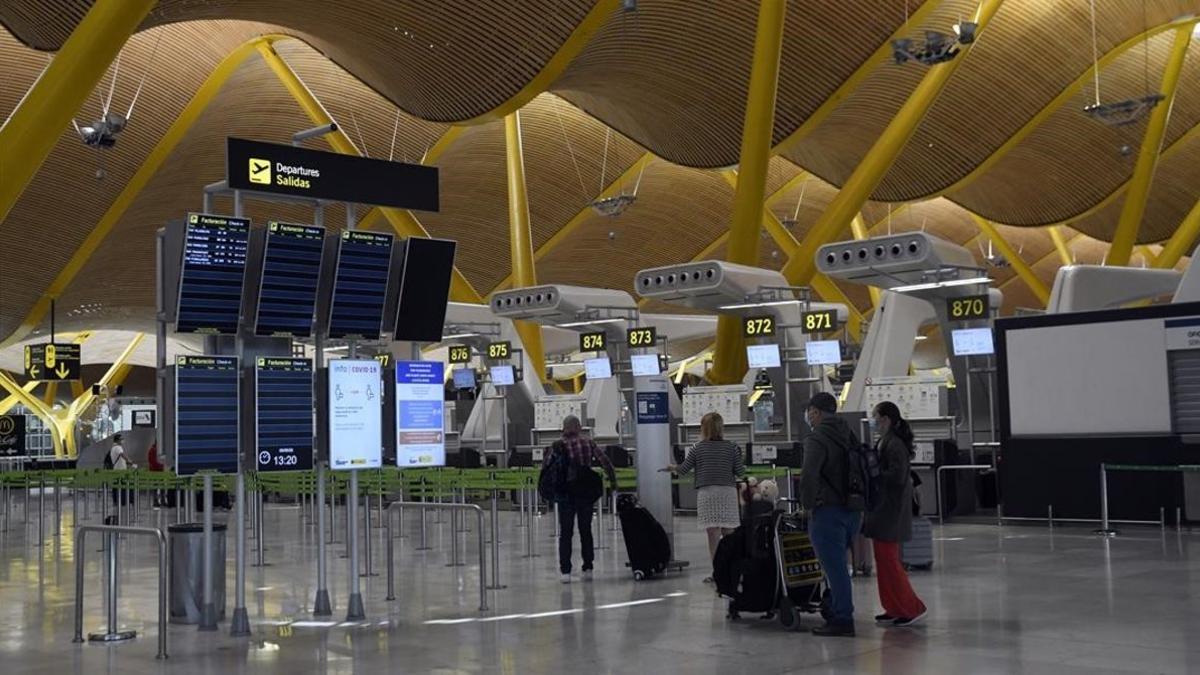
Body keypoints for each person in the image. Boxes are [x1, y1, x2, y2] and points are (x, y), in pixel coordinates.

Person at [800, 392, 862, 637]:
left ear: (815, 412)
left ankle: (843, 618)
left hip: (828, 511)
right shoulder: (849, 433)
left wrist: (807, 505)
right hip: (853, 510)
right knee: (839, 566)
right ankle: (836, 608)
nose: (809, 417)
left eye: (810, 413)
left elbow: (809, 475)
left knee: (835, 569)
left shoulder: (817, 438)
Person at [865, 401, 927, 627]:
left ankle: (911, 607)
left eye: (876, 417)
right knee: (883, 560)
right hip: (883, 510)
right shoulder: (885, 442)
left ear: (886, 419)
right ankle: (892, 606)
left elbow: (898, 477)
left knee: (890, 561)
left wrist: (875, 473)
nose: (873, 421)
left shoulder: (894, 445)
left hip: (889, 511)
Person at [662, 412, 745, 581]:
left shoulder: (697, 448)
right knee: (729, 535)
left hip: (707, 494)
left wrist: (671, 467)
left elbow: (683, 469)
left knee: (713, 536)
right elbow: (740, 471)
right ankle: (732, 570)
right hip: (727, 493)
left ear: (704, 428)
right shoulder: (732, 447)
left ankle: (717, 573)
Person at [543, 415, 617, 583]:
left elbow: (546, 469)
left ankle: (565, 571)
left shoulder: (556, 446)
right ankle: (588, 565)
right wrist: (613, 483)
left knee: (566, 533)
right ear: (578, 427)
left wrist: (549, 493)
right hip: (585, 493)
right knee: (586, 530)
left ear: (564, 427)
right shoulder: (588, 443)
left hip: (565, 495)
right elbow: (605, 462)